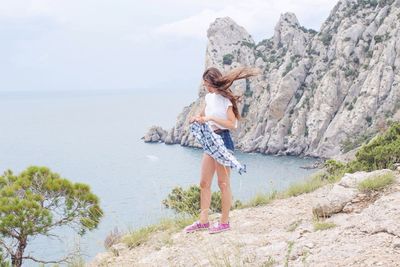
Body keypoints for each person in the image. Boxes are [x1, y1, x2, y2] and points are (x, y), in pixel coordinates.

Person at [184, 66, 260, 234]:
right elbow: (203, 114)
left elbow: (232, 124)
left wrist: (211, 118)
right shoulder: (209, 98)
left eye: (207, 83)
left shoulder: (226, 100)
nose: (205, 87)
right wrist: (197, 118)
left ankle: (224, 222)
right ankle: (203, 221)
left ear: (213, 81)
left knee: (223, 184)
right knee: (204, 183)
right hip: (210, 141)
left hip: (223, 141)